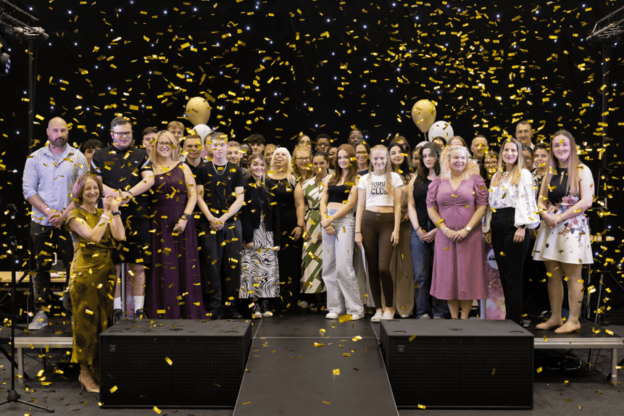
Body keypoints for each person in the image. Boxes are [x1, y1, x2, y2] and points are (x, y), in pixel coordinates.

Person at [23, 117, 89, 330]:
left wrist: (63, 214)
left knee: (73, 266)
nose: (59, 134)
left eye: (63, 130)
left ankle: (74, 311)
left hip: (70, 221)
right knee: (40, 268)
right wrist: (49, 212)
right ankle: (42, 312)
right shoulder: (34, 158)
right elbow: (28, 190)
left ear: (68, 132)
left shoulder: (78, 157)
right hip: (40, 221)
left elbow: (84, 191)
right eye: (55, 130)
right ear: (47, 132)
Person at [91, 117, 154, 322]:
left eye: (128, 133)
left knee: (138, 265)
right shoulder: (99, 155)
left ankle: (139, 310)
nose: (124, 136)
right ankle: (116, 309)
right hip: (110, 216)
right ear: (112, 134)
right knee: (114, 266)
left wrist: (129, 194)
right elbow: (97, 184)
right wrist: (117, 197)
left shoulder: (141, 154)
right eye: (120, 133)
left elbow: (149, 179)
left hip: (138, 216)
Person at [65, 175, 124, 393]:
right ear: (79, 192)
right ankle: (84, 372)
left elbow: (119, 236)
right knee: (85, 324)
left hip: (106, 274)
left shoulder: (102, 213)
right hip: (84, 275)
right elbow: (93, 237)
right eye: (88, 189)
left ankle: (98, 367)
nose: (93, 192)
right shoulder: (74, 215)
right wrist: (107, 213)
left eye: (96, 188)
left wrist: (115, 211)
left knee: (103, 322)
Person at [533, 130, 594, 333]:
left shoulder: (582, 170)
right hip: (551, 226)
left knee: (574, 276)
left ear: (572, 146)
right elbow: (541, 200)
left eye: (564, 144)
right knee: (553, 275)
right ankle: (556, 317)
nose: (561, 148)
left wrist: (559, 217)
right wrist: (544, 214)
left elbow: (587, 201)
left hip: (571, 227)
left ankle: (574, 320)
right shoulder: (549, 171)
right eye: (556, 145)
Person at [146, 131, 206, 319]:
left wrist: (185, 218)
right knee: (163, 263)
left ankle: (187, 310)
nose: (164, 146)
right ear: (155, 146)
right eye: (161, 143)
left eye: (169, 143)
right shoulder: (148, 168)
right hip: (158, 221)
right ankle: (164, 309)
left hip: (182, 218)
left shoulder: (183, 167)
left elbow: (193, 195)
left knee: (184, 264)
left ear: (175, 146)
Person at [426, 145, 488, 319]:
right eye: (455, 157)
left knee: (467, 274)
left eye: (462, 158)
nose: (459, 161)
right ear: (448, 160)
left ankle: (465, 318)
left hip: (470, 236)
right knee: (449, 275)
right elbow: (431, 208)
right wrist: (444, 229)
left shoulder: (476, 180)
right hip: (444, 237)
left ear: (467, 160)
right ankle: (454, 318)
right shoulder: (438, 182)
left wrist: (466, 230)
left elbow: (482, 206)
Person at [482, 139, 540, 324]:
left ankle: (514, 320)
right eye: (506, 150)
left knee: (513, 276)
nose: (509, 153)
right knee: (504, 275)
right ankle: (510, 317)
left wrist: (522, 226)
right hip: (498, 224)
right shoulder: (497, 175)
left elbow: (527, 200)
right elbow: (491, 205)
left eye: (513, 150)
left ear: (519, 154)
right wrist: (488, 228)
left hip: (514, 223)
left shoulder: (523, 174)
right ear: (501, 153)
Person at [196, 131, 245, 319]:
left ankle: (230, 305)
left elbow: (240, 198)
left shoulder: (236, 170)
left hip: (230, 222)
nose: (219, 149)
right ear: (209, 147)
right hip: (209, 223)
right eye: (215, 145)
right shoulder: (203, 169)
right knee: (212, 266)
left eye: (222, 145)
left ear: (227, 147)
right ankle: (215, 306)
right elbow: (199, 197)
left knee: (232, 266)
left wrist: (223, 218)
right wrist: (211, 218)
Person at [355, 145, 402, 322]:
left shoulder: (395, 177)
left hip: (387, 223)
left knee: (383, 267)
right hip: (368, 222)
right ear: (370, 159)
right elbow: (360, 206)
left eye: (382, 158)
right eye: (375, 158)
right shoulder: (364, 178)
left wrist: (396, 229)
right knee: (372, 269)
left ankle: (389, 308)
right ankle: (378, 309)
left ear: (387, 159)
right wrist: (357, 231)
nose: (379, 161)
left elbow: (398, 205)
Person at [320, 144, 364, 320]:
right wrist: (325, 220)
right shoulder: (330, 178)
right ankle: (335, 308)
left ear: (352, 158)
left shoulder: (357, 179)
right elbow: (323, 201)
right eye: (339, 157)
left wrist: (330, 219)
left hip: (344, 221)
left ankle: (355, 309)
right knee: (328, 267)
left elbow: (350, 204)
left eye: (346, 157)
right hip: (327, 221)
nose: (342, 160)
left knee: (344, 266)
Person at [408, 142, 448, 319]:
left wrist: (438, 230)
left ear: (438, 156)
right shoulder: (416, 178)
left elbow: (450, 207)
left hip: (441, 230)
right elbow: (411, 205)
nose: (428, 159)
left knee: (441, 272)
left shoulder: (446, 178)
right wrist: (417, 228)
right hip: (419, 229)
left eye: (431, 155)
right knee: (420, 274)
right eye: (424, 156)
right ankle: (422, 311)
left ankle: (441, 312)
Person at [240, 154, 281, 318]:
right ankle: (254, 305)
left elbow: (276, 213)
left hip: (267, 233)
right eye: (255, 164)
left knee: (267, 271)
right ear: (249, 166)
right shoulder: (244, 184)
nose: (259, 168)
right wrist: (248, 238)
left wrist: (278, 240)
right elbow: (243, 213)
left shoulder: (269, 185)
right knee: (252, 270)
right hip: (252, 233)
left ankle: (265, 304)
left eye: (261, 165)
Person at [267, 147, 304, 311]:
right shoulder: (265, 178)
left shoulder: (293, 179)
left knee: (289, 262)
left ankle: (290, 300)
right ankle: (272, 301)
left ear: (289, 159)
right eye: (277, 154)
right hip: (270, 225)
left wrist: (299, 225)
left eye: (283, 154)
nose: (280, 157)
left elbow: (300, 204)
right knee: (272, 263)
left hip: (290, 225)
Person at [296, 151, 330, 310]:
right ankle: (318, 300)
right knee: (312, 261)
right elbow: (301, 207)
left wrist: (326, 226)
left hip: (328, 222)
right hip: (310, 222)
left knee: (328, 261)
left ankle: (328, 300)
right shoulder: (306, 183)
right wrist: (303, 227)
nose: (318, 166)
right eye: (315, 163)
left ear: (327, 164)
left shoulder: (333, 180)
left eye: (322, 163)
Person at [388, 143, 415, 318]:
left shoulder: (412, 176)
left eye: (400, 152)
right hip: (386, 225)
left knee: (406, 267)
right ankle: (388, 307)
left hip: (407, 224)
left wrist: (407, 215)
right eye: (393, 152)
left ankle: (404, 307)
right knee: (388, 267)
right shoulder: (382, 176)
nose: (397, 155)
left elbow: (416, 200)